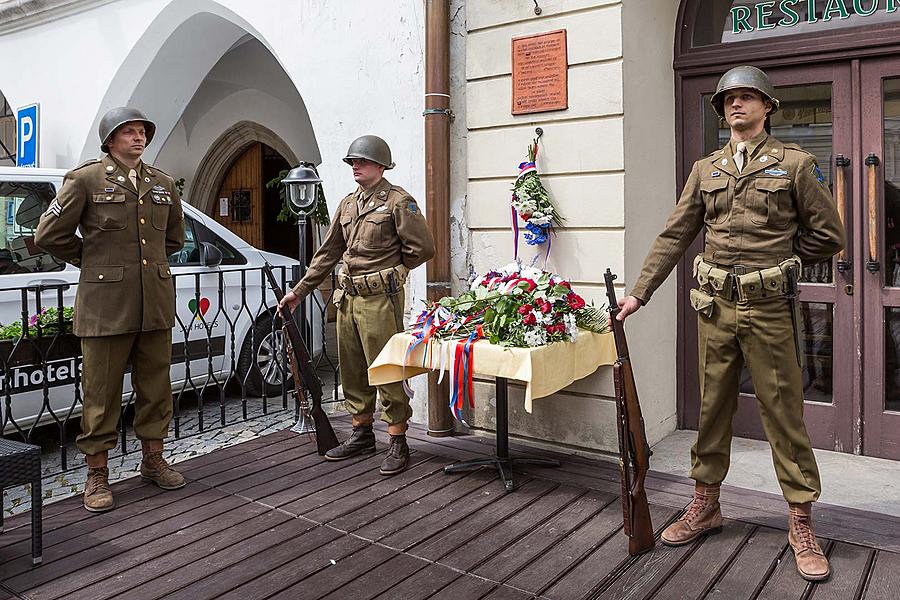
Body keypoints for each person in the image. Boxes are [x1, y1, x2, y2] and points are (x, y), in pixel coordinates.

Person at [617, 66, 844, 581]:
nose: (737, 106)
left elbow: (829, 235)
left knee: (783, 410)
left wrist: (781, 260)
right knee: (712, 404)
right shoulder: (706, 169)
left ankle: (801, 519)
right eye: (729, 100)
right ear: (722, 111)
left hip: (768, 310)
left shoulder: (795, 165)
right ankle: (705, 503)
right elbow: (675, 235)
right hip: (714, 307)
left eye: (747, 98)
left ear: (767, 106)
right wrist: (639, 293)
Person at [35, 107, 185, 512]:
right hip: (105, 306)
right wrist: (92, 259)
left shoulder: (163, 183)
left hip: (153, 302)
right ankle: (97, 473)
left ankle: (153, 459)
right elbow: (47, 233)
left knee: (156, 388)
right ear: (109, 140)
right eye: (129, 132)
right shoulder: (85, 179)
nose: (138, 138)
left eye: (142, 132)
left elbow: (172, 240)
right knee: (101, 394)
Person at [279, 135, 435, 476]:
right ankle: (362, 432)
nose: (355, 167)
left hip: (381, 299)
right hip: (347, 299)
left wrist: (395, 271)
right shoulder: (348, 204)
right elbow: (328, 253)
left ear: (380, 165)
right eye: (352, 162)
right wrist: (299, 291)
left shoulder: (398, 202)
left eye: (361, 161)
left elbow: (422, 248)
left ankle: (397, 439)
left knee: (387, 370)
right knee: (352, 368)